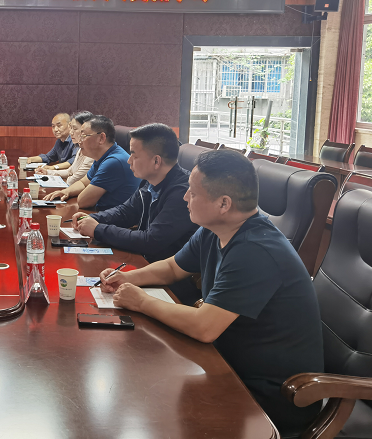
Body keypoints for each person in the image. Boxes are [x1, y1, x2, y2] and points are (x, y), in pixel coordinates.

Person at [98, 149, 323, 436]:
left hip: (268, 396)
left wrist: (141, 301)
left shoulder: (256, 250)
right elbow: (172, 267)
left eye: (192, 193)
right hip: (223, 363)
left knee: (147, 408)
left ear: (223, 203)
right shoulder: (216, 228)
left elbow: (204, 327)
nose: (184, 197)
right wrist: (127, 277)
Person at [73, 123, 198, 262]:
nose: (129, 160)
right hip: (145, 260)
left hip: (164, 270)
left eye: (134, 155)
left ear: (156, 161)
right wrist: (93, 219)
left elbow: (151, 241)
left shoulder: (183, 193)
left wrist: (98, 229)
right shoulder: (150, 180)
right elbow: (126, 212)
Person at [45, 115, 139, 210]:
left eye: (83, 136)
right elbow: (83, 182)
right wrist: (66, 192)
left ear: (101, 138)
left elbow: (83, 201)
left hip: (117, 218)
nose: (79, 141)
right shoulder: (102, 156)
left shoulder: (114, 162)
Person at [36, 111, 95, 184]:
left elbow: (73, 180)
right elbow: (69, 171)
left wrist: (55, 173)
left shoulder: (92, 154)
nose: (71, 132)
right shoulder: (80, 149)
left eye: (75, 129)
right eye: (71, 128)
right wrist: (47, 172)